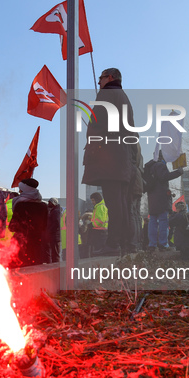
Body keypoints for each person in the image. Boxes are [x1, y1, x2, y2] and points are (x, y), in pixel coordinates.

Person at [82, 68, 136, 256]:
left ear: (110, 77)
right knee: (121, 203)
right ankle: (123, 243)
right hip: (122, 157)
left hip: (110, 157)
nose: (99, 82)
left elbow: (97, 121)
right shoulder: (124, 97)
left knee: (114, 204)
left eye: (101, 78)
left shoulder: (106, 93)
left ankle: (113, 244)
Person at [146, 152, 183, 251]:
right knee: (163, 221)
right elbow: (164, 177)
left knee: (152, 221)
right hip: (161, 198)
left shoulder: (150, 166)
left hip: (152, 198)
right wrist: (178, 172)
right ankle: (163, 244)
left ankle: (152, 244)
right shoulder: (160, 165)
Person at [9, 178, 48, 266]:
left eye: (21, 189)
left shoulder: (20, 204)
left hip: (21, 243)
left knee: (20, 269)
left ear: (25, 190)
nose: (19, 191)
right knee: (35, 268)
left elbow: (13, 226)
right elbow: (44, 226)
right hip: (37, 244)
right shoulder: (43, 206)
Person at [45, 198, 61, 263]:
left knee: (55, 254)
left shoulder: (55, 211)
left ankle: (56, 269)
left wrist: (50, 230)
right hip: (54, 236)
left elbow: (56, 223)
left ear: (53, 203)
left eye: (49, 203)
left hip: (55, 236)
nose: (48, 204)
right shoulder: (54, 210)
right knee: (54, 253)